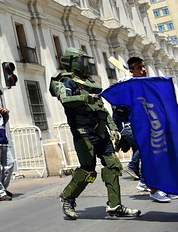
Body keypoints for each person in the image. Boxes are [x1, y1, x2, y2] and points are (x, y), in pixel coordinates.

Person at [50, 47, 141, 219]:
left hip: (101, 131)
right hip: (82, 132)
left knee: (113, 166)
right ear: (73, 62)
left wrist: (113, 127)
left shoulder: (90, 82)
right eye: (82, 60)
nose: (86, 64)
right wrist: (84, 98)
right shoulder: (64, 81)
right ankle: (68, 198)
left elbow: (102, 109)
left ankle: (115, 206)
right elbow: (65, 100)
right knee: (88, 170)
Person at [123, 57, 172, 203]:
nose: (143, 70)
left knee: (157, 155)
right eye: (139, 68)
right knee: (150, 155)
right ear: (131, 70)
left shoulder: (146, 84)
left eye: (143, 67)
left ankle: (154, 185)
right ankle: (153, 189)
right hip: (134, 128)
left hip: (150, 127)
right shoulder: (128, 86)